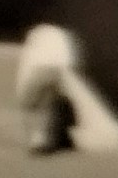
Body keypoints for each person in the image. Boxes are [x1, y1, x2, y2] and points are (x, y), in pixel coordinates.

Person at [16, 22, 82, 155]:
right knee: (50, 104)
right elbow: (72, 64)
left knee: (41, 105)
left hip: (38, 73)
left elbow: (27, 62)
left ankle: (40, 139)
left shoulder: (37, 33)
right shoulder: (65, 36)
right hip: (57, 71)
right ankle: (45, 138)